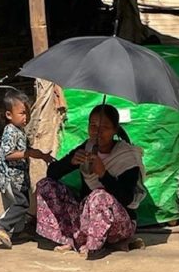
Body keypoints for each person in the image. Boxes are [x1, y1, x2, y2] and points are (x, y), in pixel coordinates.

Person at [36, 104, 146, 258]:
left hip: (119, 224)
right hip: (86, 221)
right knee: (45, 185)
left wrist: (103, 174)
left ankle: (93, 246)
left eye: (105, 127)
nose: (97, 131)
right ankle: (70, 239)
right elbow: (52, 172)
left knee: (99, 196)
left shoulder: (127, 157)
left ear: (115, 130)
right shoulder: (88, 147)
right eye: (93, 125)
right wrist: (70, 162)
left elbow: (126, 199)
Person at [0, 90, 54, 248]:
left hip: (20, 178)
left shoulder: (19, 131)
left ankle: (18, 233)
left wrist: (41, 155)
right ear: (9, 115)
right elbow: (8, 154)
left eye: (28, 113)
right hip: (12, 177)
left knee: (19, 204)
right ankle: (1, 226)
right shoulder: (10, 131)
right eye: (22, 113)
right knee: (21, 204)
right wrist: (28, 153)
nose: (26, 117)